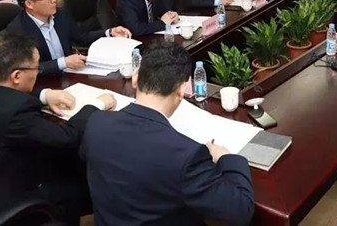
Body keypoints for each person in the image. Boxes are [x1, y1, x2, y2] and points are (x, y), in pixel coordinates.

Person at [81, 41, 255, 226]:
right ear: (181, 90)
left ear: (136, 77)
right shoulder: (186, 156)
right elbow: (241, 209)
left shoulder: (96, 122)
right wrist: (226, 157)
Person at [0, 32, 117, 225]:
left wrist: (44, 95)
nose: (38, 72)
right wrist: (96, 104)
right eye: (36, 67)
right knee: (79, 172)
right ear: (16, 75)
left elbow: (0, 96)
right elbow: (67, 137)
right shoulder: (15, 112)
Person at [7, 0, 132, 75]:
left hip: (70, 75)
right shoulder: (17, 30)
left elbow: (81, 38)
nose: (54, 0)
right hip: (43, 84)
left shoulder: (60, 14)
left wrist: (109, 32)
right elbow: (26, 69)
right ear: (29, 4)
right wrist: (63, 63)